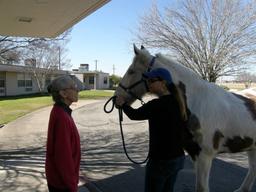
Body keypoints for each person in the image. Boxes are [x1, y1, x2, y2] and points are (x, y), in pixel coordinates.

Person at [116, 68, 189, 192]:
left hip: (160, 161)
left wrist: (122, 104)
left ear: (163, 82)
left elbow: (134, 115)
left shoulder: (156, 105)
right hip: (178, 158)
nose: (148, 83)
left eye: (152, 80)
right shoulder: (180, 102)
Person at [45, 75, 83, 192]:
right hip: (62, 184)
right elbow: (63, 156)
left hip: (60, 181)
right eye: (73, 87)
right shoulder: (61, 117)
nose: (77, 90)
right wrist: (72, 186)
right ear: (63, 94)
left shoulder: (60, 112)